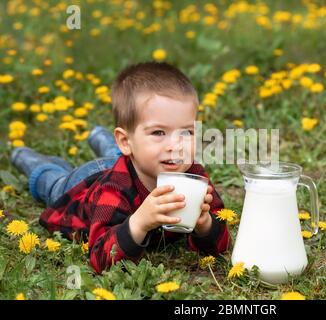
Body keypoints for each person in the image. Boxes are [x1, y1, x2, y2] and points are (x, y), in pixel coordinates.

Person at [10, 62, 230, 273]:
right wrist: (139, 222)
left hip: (133, 161)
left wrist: (206, 225)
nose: (176, 146)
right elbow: (101, 259)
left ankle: (99, 137)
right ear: (125, 141)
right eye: (158, 133)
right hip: (86, 181)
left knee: (125, 156)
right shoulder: (113, 190)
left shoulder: (194, 177)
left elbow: (221, 240)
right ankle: (23, 155)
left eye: (186, 132)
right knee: (54, 183)